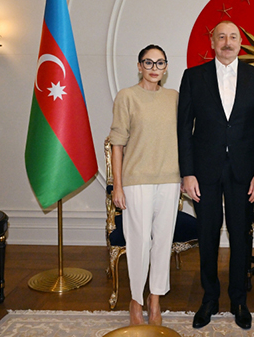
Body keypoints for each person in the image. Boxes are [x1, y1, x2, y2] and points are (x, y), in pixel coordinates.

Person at [177, 20, 254, 330]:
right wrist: (187, 173)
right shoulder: (193, 77)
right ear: (212, 42)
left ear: (240, 43)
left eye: (233, 37)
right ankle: (209, 299)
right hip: (203, 171)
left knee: (240, 236)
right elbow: (183, 129)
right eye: (221, 37)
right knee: (207, 236)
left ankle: (239, 300)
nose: (227, 42)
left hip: (244, 173)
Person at [109, 45, 181, 326]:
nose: (154, 68)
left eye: (159, 62)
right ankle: (135, 301)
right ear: (139, 66)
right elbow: (117, 144)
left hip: (170, 179)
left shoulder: (174, 97)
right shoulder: (126, 96)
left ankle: (155, 300)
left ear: (166, 67)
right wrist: (117, 186)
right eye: (148, 62)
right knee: (139, 242)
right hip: (136, 180)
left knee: (163, 241)